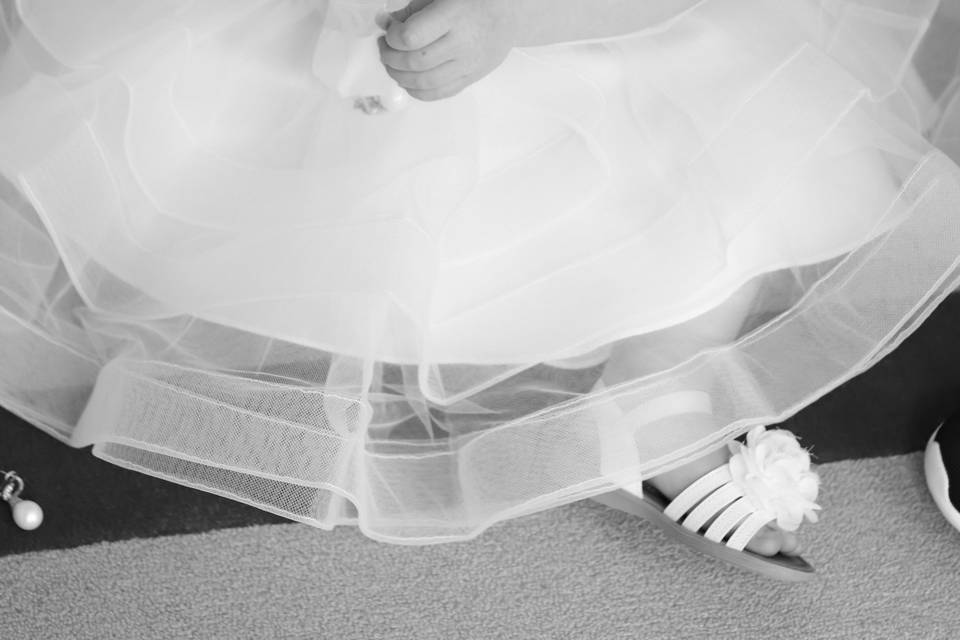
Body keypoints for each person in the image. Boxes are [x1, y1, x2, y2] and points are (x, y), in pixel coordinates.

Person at [1, 0, 959, 580]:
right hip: (335, 54)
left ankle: (656, 389)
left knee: (746, 161)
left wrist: (519, 18)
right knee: (225, 173)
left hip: (593, 33)